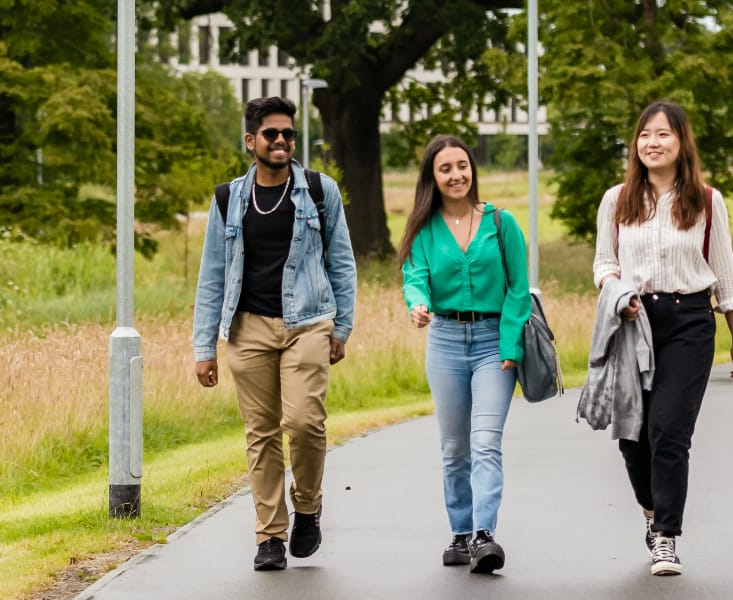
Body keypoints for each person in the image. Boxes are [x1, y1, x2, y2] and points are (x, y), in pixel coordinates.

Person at [191, 96, 357, 572]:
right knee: (261, 435)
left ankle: (307, 507)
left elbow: (342, 262)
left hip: (308, 322)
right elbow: (212, 276)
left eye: (288, 134)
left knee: (305, 423)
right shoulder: (228, 199)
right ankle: (269, 536)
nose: (281, 141)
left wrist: (341, 326)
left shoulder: (321, 192)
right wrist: (205, 348)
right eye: (271, 134)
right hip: (246, 329)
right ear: (251, 141)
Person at [592, 100, 733, 577]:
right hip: (634, 323)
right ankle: (651, 511)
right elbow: (604, 264)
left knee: (669, 432)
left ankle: (666, 537)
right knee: (632, 437)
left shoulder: (706, 200)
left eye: (663, 135)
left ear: (681, 143)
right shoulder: (616, 199)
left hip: (690, 322)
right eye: (644, 135)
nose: (652, 143)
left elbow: (725, 273)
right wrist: (619, 294)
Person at [398, 135, 531, 574]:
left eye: (462, 166)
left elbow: (518, 288)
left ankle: (483, 534)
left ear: (472, 169)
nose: (456, 175)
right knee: (455, 448)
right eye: (445, 169)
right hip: (445, 341)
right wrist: (417, 303)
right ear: (432, 178)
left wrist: (511, 344)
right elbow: (414, 276)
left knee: (485, 442)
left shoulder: (501, 222)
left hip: (495, 342)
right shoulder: (424, 229)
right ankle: (459, 533)